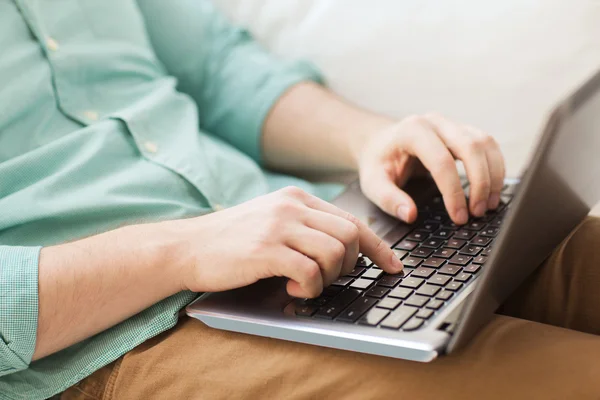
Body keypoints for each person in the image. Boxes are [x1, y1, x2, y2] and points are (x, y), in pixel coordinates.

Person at [1, 1, 599, 399]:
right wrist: (185, 247)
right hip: (122, 336)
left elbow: (217, 69)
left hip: (313, 224)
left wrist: (369, 140)